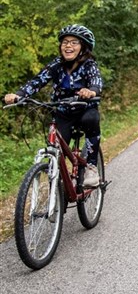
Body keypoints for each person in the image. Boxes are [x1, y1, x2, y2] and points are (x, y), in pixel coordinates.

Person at [4, 24, 104, 188]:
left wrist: (91, 91)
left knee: (91, 119)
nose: (68, 46)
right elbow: (38, 81)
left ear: (83, 47)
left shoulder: (89, 65)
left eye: (74, 42)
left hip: (84, 109)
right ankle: (58, 192)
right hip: (63, 113)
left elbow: (96, 82)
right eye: (65, 42)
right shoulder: (57, 65)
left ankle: (91, 167)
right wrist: (19, 95)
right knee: (57, 150)